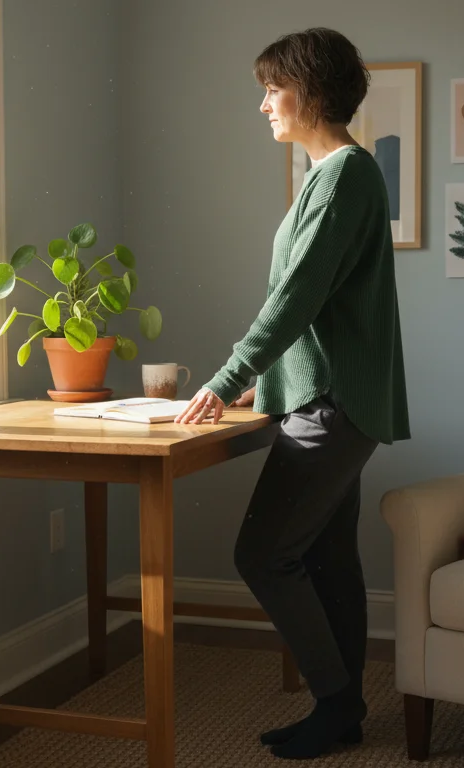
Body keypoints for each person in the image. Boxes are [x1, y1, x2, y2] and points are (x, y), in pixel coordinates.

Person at [174, 27, 410, 760]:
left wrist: (226, 380)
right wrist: (268, 387)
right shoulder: (328, 175)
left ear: (307, 90)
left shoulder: (343, 174)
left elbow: (296, 298)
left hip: (335, 406)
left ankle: (336, 703)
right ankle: (342, 710)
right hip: (326, 398)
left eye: (271, 89)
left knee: (264, 553)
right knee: (326, 556)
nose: (263, 105)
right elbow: (316, 308)